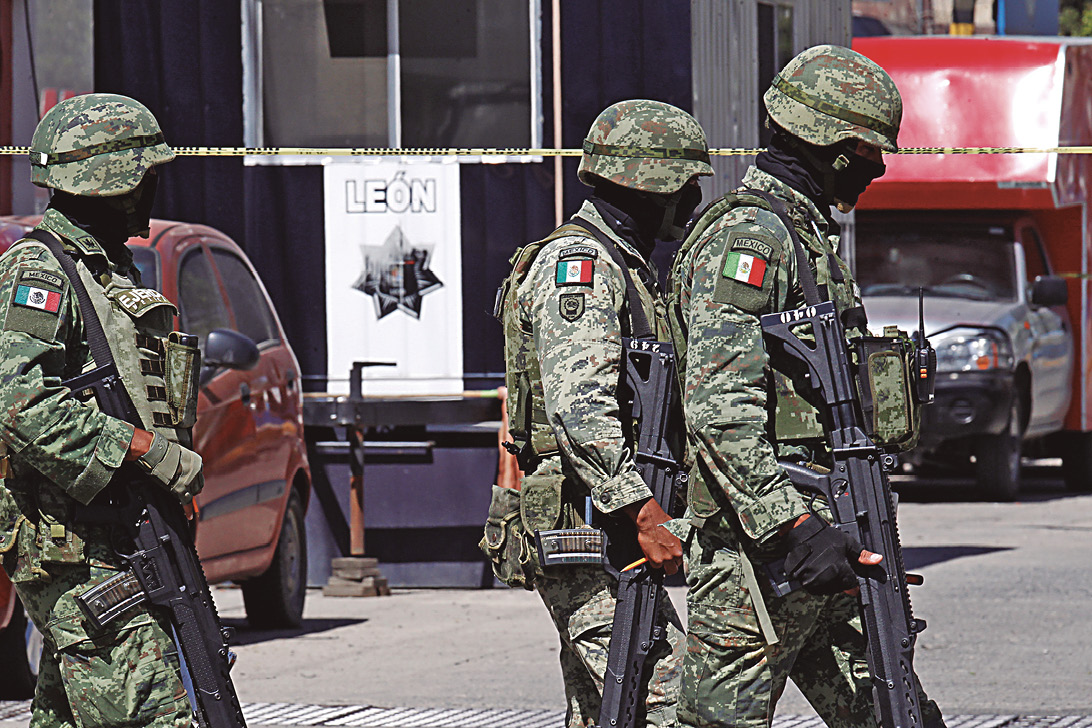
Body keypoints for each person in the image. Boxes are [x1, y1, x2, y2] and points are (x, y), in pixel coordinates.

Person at [665, 46, 947, 728]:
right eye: (865, 147)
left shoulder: (805, 236)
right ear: (829, 143)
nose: (876, 165)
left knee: (896, 713)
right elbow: (719, 406)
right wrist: (790, 524)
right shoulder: (751, 239)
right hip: (759, 558)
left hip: (830, 536)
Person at [483, 99, 713, 727]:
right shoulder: (581, 271)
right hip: (588, 526)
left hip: (609, 521)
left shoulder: (628, 268)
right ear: (650, 185)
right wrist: (641, 511)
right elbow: (578, 407)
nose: (694, 199)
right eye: (687, 184)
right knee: (670, 699)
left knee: (601, 710)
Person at [0, 94, 202, 728]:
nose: (153, 189)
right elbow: (21, 403)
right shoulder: (40, 271)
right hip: (74, 546)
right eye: (145, 175)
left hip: (119, 537)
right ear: (113, 184)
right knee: (148, 713)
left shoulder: (107, 269)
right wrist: (144, 451)